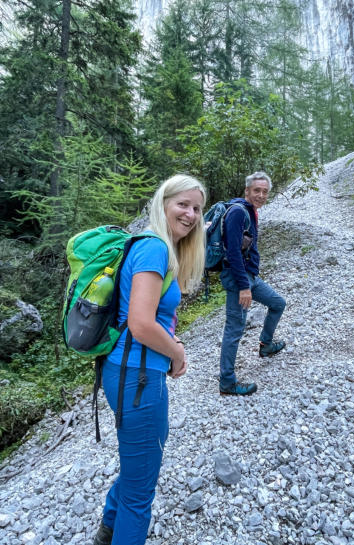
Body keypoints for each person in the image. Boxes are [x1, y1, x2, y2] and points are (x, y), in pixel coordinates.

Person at [93, 174, 206, 545]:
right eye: (183, 204)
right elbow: (141, 324)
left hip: (127, 372)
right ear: (163, 203)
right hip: (138, 378)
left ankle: (108, 530)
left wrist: (171, 342)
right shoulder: (155, 248)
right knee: (141, 493)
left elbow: (146, 316)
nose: (190, 215)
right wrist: (176, 352)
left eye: (197, 208)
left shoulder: (151, 246)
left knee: (137, 465)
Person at [219, 171, 286, 396]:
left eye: (265, 191)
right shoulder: (238, 212)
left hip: (249, 276)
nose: (261, 195)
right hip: (239, 279)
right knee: (234, 329)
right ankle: (227, 382)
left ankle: (266, 345)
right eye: (257, 190)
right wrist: (244, 287)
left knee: (277, 303)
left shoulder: (249, 211)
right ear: (247, 190)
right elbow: (233, 253)